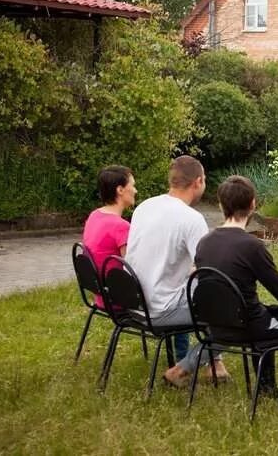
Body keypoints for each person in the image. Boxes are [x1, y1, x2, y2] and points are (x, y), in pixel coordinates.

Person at [163, 176, 278, 391]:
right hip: (249, 327)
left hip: (217, 325)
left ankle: (266, 388)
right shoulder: (252, 246)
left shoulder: (204, 242)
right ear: (253, 204)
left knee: (267, 313)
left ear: (220, 204)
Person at [125, 156, 229, 384]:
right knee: (234, 312)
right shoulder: (191, 219)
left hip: (135, 303)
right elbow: (209, 271)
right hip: (162, 310)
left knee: (191, 288)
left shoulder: (144, 207)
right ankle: (185, 367)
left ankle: (214, 363)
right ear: (198, 181)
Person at [82, 165, 137, 310]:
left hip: (101, 295)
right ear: (120, 190)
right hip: (120, 300)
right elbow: (134, 267)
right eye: (133, 186)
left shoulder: (94, 216)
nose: (135, 191)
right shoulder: (121, 226)